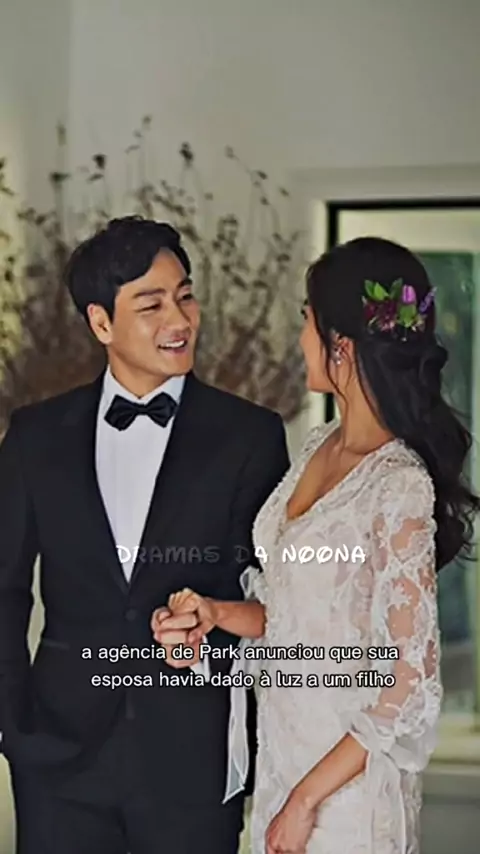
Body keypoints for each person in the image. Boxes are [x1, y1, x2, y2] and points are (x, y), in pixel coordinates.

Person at [153, 236, 480, 854]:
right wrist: (215, 614)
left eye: (307, 321)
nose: (299, 338)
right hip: (284, 766)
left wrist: (307, 800)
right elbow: (297, 617)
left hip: (346, 796)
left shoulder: (398, 483)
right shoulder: (315, 449)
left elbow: (411, 681)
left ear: (342, 346)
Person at [0, 216, 289, 854]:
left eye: (185, 296)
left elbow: (269, 595)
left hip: (193, 756)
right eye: (152, 304)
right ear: (101, 323)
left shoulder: (250, 436)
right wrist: (11, 726)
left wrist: (206, 642)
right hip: (57, 758)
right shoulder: (34, 436)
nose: (179, 319)